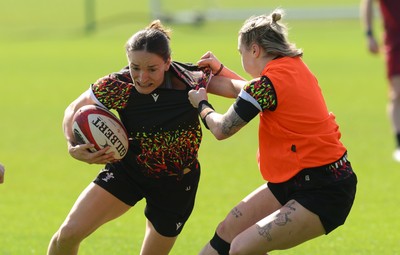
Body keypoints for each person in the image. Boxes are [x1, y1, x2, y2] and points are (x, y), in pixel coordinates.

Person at [47, 20, 238, 255]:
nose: (142, 77)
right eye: (134, 67)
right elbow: (73, 109)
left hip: (176, 182)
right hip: (128, 171)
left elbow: (242, 90)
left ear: (168, 62)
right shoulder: (117, 85)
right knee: (66, 235)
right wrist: (71, 144)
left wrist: (220, 69)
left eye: (152, 69)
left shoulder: (190, 79)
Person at [188, 9, 358, 255]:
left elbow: (222, 128)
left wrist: (202, 105)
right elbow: (247, 91)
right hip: (296, 179)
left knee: (240, 248)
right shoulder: (290, 67)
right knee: (227, 233)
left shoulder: (268, 84)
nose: (242, 59)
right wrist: (219, 70)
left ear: (254, 50)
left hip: (325, 189)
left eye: (241, 53)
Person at [360, 0, 400, 161]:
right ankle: (399, 144)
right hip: (395, 41)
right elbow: (367, 2)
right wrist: (369, 34)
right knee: (396, 93)